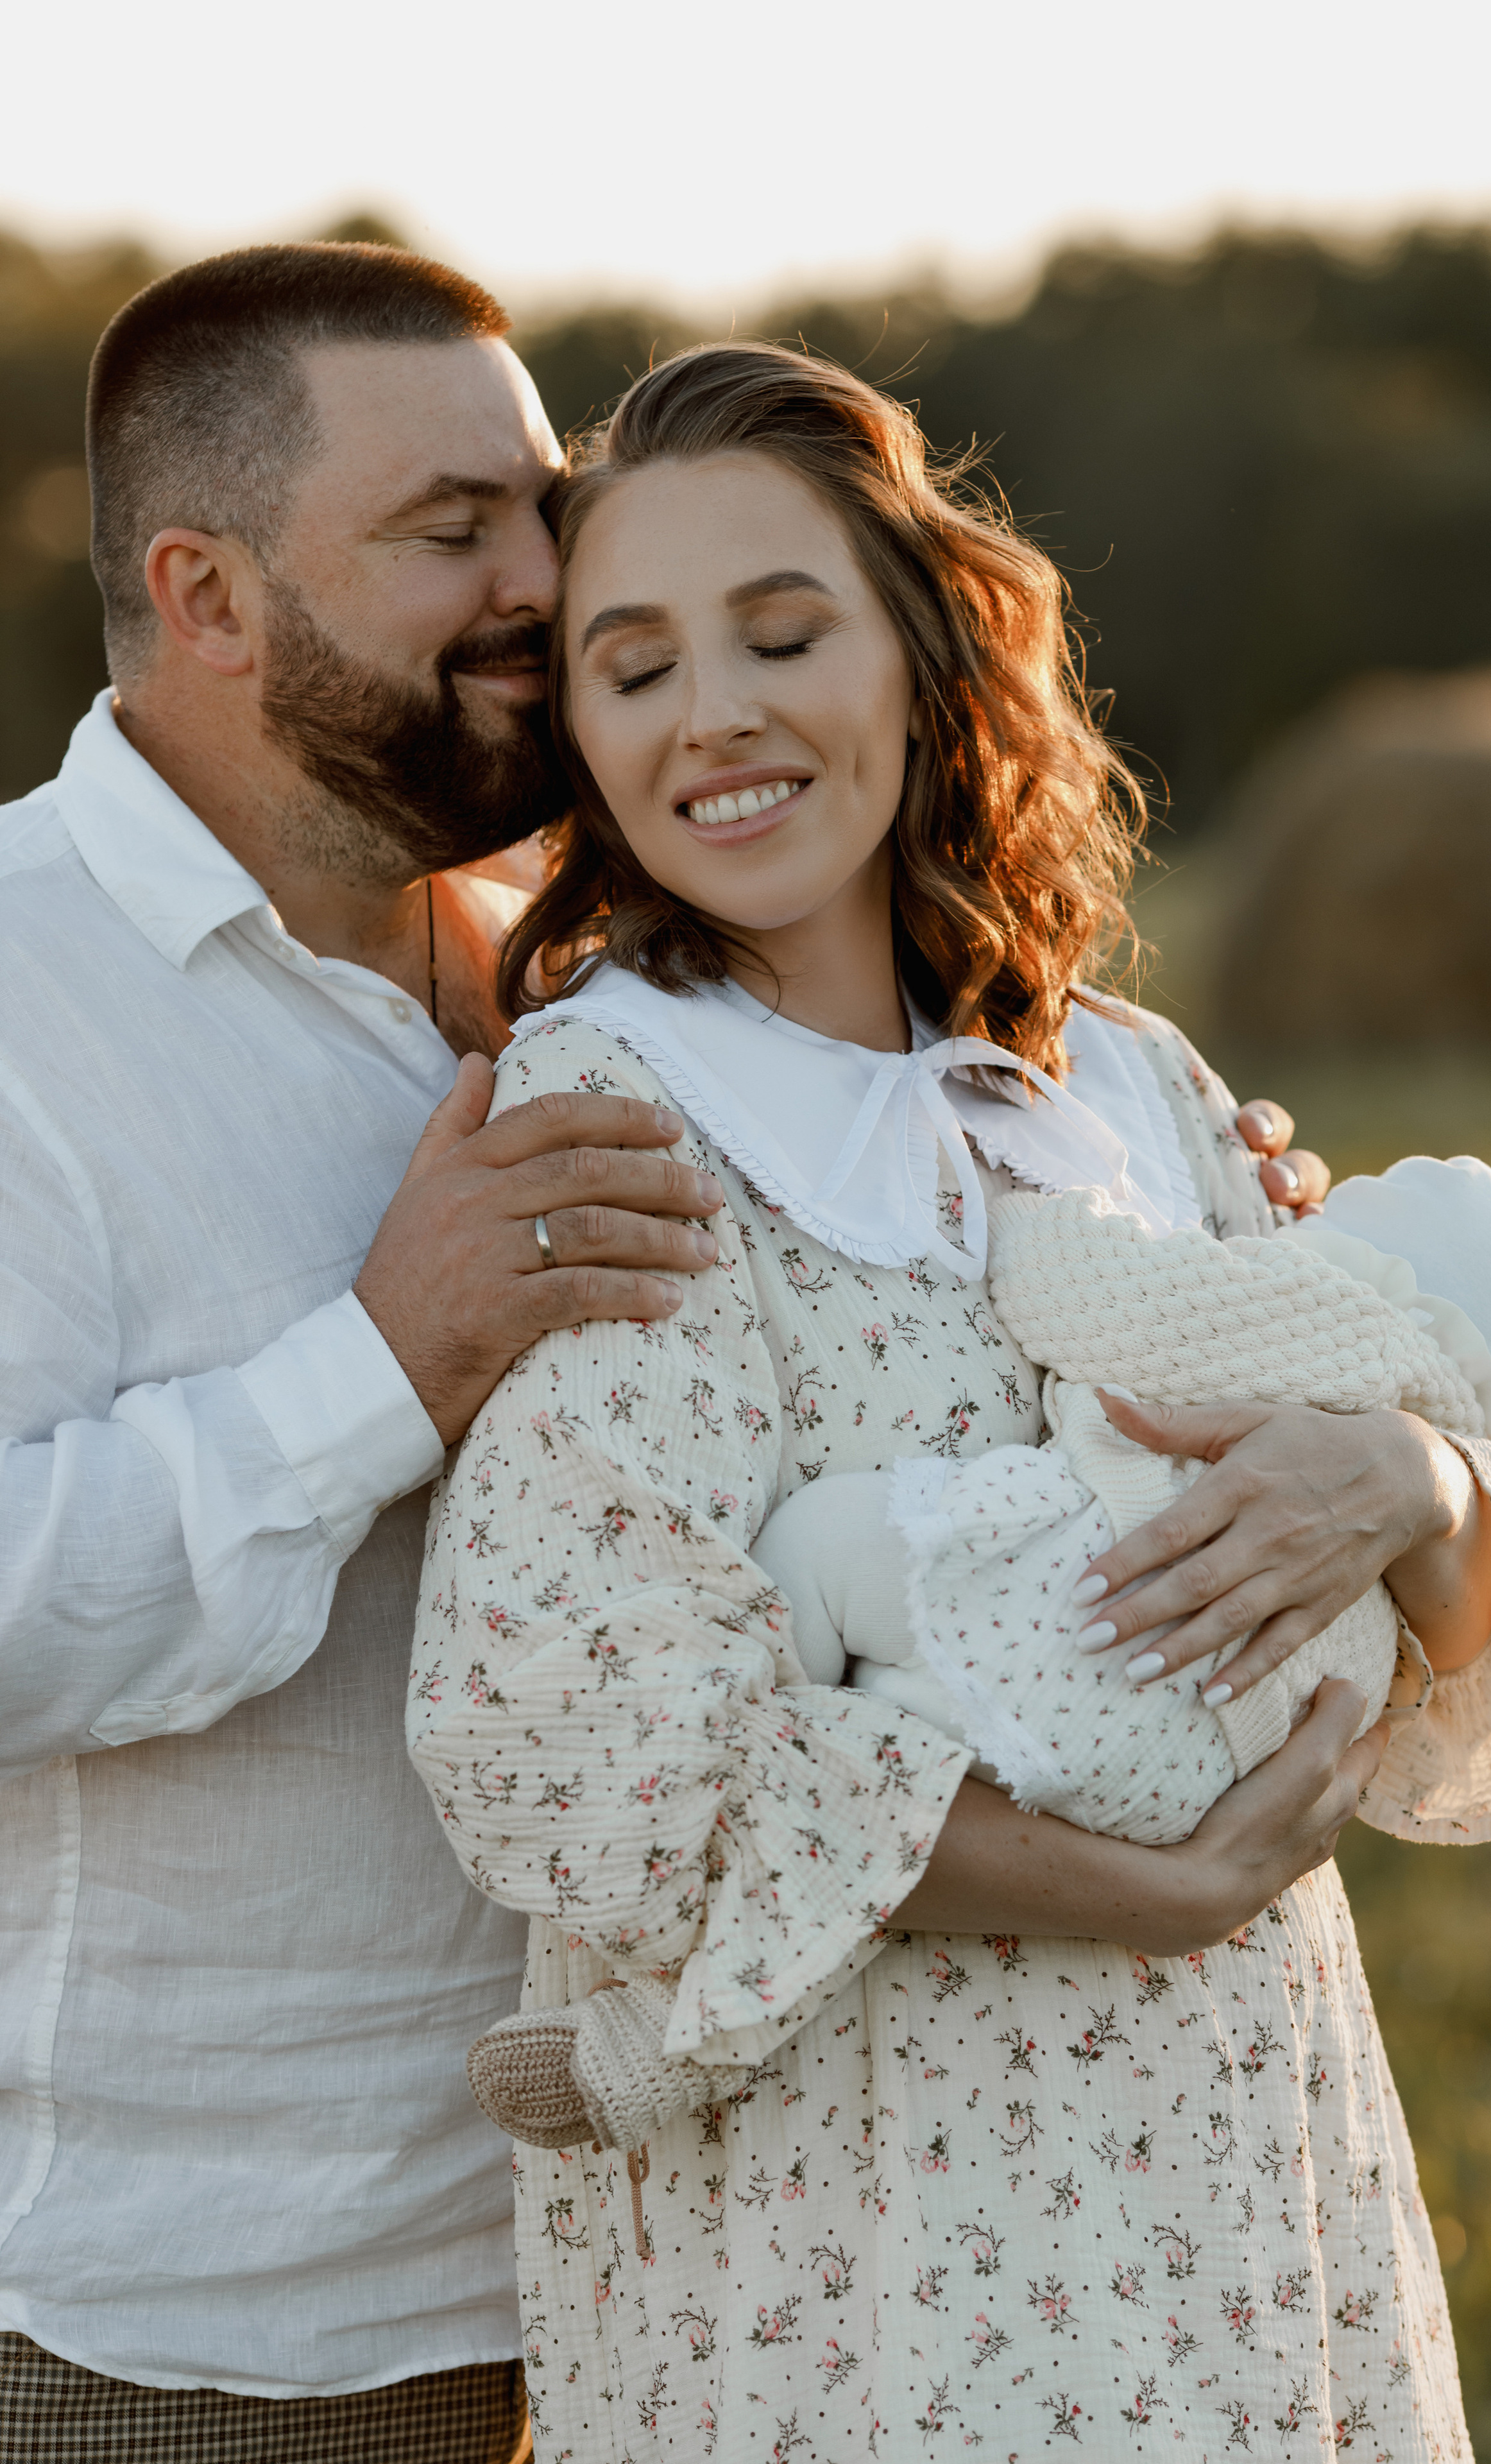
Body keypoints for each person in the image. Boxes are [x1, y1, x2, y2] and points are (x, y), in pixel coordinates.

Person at [407, 342, 1491, 2457]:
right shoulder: (622, 1121)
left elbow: (1454, 1565)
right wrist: (1138, 1887)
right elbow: (565, 1730)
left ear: (921, 649)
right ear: (578, 738)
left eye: (785, 633)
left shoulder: (1123, 1084)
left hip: (1242, 2160)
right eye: (635, 666)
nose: (718, 716)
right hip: (882, 2231)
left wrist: (1406, 1479)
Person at [0, 241, 750, 2464]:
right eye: (455, 535)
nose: (550, 577)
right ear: (208, 596)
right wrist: (381, 1371)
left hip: (629, 2287)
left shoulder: (586, 988)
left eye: (545, 506)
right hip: (165, 2342)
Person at [461, 1149, 1491, 2159]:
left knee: (819, 1578)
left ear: (1385, 1262)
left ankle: (722, 1867)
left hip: (1074, 1628)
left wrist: (1062, 1199)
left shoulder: (1330, 1313)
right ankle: (661, 2041)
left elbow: (1073, 1295)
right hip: (1188, 1774)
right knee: (890, 1783)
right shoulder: (1453, 1423)